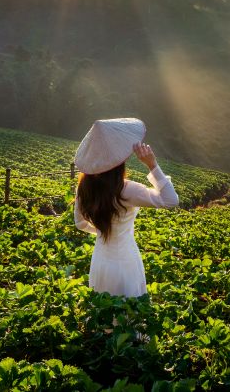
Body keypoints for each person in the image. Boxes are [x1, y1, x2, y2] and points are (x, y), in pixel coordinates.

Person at [73, 118, 179, 297]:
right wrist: (152, 165)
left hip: (100, 259)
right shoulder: (127, 189)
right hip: (125, 259)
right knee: (128, 312)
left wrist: (101, 230)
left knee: (103, 308)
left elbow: (80, 223)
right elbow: (170, 200)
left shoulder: (83, 187)